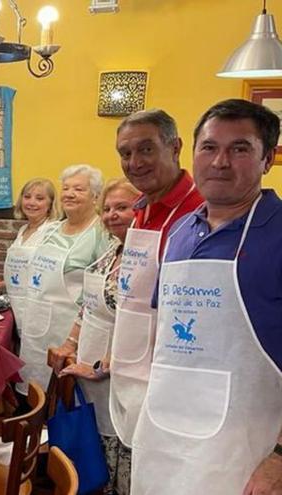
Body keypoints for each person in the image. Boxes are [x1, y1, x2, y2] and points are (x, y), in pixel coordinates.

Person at [131, 99, 282, 495]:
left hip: (242, 457)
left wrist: (280, 458)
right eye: (210, 147)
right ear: (192, 152)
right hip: (163, 440)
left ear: (268, 159)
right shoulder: (180, 231)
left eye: (240, 149)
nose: (220, 162)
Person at [108, 109, 203, 449]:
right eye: (125, 153)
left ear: (175, 147)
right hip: (131, 372)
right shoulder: (140, 209)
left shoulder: (202, 210)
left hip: (177, 384)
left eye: (146, 149)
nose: (135, 162)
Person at [48, 178, 141, 495]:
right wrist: (70, 345)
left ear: (141, 209)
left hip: (120, 375)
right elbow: (87, 305)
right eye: (108, 209)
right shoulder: (113, 250)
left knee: (120, 452)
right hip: (90, 372)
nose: (113, 215)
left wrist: (104, 366)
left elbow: (145, 325)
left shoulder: (147, 256)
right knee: (94, 451)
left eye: (123, 207)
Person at [18, 165, 109, 397]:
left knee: (62, 401)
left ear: (95, 196)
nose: (69, 193)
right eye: (66, 188)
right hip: (35, 328)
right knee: (32, 395)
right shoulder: (52, 229)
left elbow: (100, 293)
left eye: (79, 189)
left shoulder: (100, 232)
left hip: (70, 333)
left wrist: (73, 341)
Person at [0, 178, 60, 323]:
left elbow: (50, 276)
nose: (31, 202)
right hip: (18, 307)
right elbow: (26, 271)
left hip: (39, 311)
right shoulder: (23, 230)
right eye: (27, 197)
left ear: (50, 204)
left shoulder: (54, 231)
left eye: (39, 198)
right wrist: (5, 285)